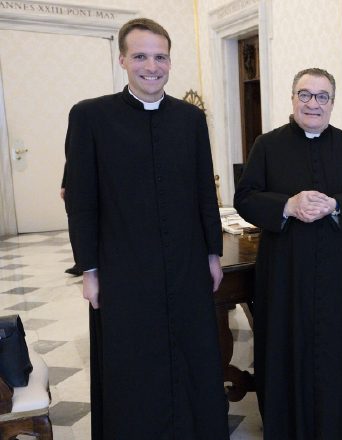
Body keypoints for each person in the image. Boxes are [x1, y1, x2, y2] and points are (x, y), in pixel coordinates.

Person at [65, 18, 229, 439]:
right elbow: (81, 201)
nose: (151, 66)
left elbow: (202, 191)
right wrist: (89, 270)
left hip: (186, 263)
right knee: (132, 362)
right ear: (123, 59)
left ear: (170, 62)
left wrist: (213, 254)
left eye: (160, 57)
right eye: (140, 56)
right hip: (124, 267)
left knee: (193, 355)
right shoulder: (90, 117)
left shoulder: (190, 119)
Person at [234, 67, 342, 439]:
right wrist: (287, 205)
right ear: (292, 98)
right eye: (305, 94)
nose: (313, 103)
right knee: (286, 338)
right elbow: (245, 198)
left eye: (322, 96)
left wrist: (334, 204)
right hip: (286, 268)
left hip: (340, 268)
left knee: (339, 340)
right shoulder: (266, 145)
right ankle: (286, 422)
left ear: (332, 102)